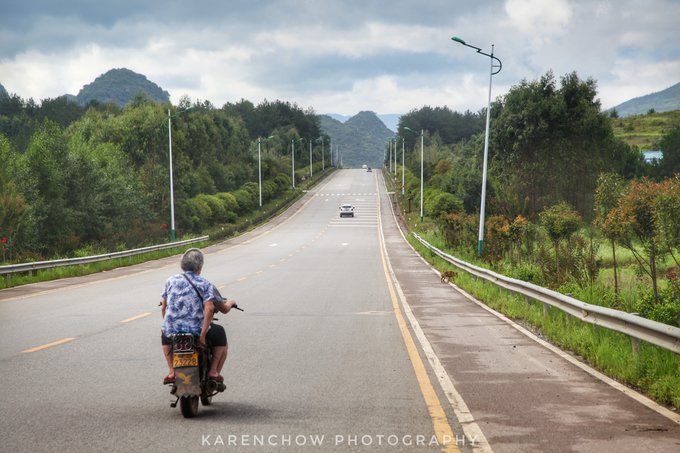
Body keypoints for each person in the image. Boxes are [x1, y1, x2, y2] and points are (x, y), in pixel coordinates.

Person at [160, 248, 238, 384]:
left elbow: (163, 307)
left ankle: (172, 371)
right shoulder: (205, 284)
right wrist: (202, 335)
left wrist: (169, 325)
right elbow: (210, 308)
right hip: (196, 331)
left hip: (173, 330)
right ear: (200, 267)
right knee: (219, 332)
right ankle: (213, 371)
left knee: (164, 334)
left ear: (182, 265)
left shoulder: (170, 281)